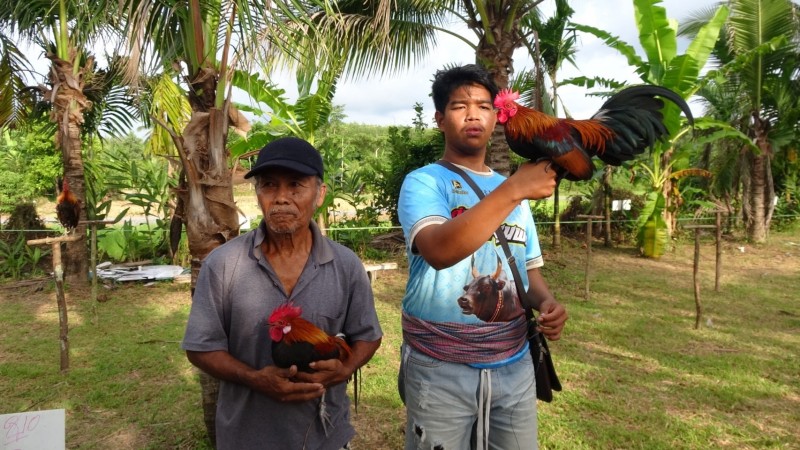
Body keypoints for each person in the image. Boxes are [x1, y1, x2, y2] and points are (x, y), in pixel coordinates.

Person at [397, 64, 568, 450]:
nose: (473, 114)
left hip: (514, 361)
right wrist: (515, 190)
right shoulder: (425, 181)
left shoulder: (515, 191)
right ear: (440, 119)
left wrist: (547, 302)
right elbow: (439, 251)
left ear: (496, 118)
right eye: (459, 106)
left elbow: (527, 267)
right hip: (440, 366)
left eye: (483, 106)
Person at [182, 136, 382, 450]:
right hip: (247, 438)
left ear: (320, 194)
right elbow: (199, 347)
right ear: (258, 194)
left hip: (325, 436)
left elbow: (368, 334)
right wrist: (253, 378)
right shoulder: (222, 264)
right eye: (269, 185)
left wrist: (345, 367)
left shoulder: (345, 264)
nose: (281, 198)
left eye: (296, 185)